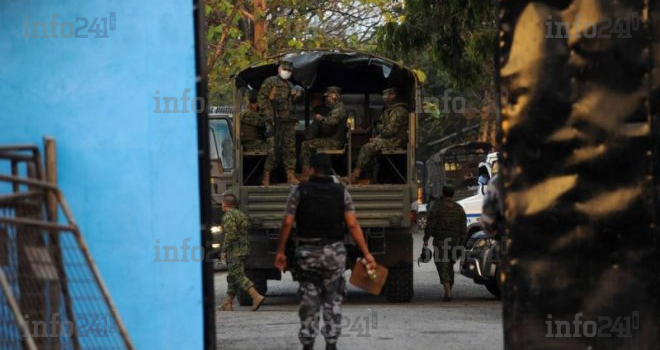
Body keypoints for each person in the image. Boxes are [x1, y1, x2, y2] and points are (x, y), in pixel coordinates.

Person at [274, 153, 376, 350]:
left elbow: (287, 222)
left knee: (309, 299)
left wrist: (280, 251)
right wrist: (366, 253)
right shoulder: (341, 192)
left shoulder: (299, 191)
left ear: (311, 169)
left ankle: (308, 342)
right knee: (333, 299)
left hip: (307, 254)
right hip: (334, 254)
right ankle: (331, 343)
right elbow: (353, 224)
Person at [347, 87, 409, 182]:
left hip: (397, 141)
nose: (385, 99)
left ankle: (355, 176)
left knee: (366, 148)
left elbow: (389, 131)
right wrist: (377, 138)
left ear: (393, 97)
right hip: (392, 139)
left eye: (387, 97)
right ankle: (370, 177)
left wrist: (379, 128)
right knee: (371, 151)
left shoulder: (398, 111)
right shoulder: (390, 111)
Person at [258, 60, 304, 185]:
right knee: (272, 149)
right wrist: (269, 115)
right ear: (279, 69)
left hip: (288, 122)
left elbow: (293, 103)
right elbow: (261, 98)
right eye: (285, 69)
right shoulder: (271, 82)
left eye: (289, 70)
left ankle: (291, 175)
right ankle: (266, 176)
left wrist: (298, 95)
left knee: (290, 149)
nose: (286, 72)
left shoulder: (290, 85)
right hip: (274, 121)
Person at [217, 194, 265, 311]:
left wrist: (223, 250)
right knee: (233, 275)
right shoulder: (240, 214)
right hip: (244, 249)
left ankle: (256, 296)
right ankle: (228, 302)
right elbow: (247, 226)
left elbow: (231, 234)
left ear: (225, 204)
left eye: (222, 203)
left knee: (237, 275)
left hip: (235, 250)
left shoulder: (228, 216)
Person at [422, 185, 467, 301]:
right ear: (453, 194)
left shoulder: (437, 207)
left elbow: (431, 224)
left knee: (442, 265)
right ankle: (449, 290)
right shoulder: (459, 208)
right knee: (449, 266)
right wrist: (462, 243)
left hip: (441, 242)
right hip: (456, 242)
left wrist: (426, 238)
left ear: (443, 193)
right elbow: (464, 228)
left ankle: (447, 290)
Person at [300, 86, 348, 181]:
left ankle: (306, 174)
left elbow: (332, 121)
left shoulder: (339, 108)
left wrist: (320, 118)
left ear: (335, 96)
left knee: (305, 145)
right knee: (309, 143)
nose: (327, 99)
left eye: (328, 96)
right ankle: (311, 173)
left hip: (334, 142)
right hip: (332, 140)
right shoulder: (335, 108)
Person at [241, 89, 275, 179]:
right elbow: (263, 122)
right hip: (250, 144)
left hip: (253, 143)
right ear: (253, 103)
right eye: (258, 103)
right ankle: (265, 177)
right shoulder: (248, 114)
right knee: (273, 151)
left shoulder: (250, 112)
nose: (259, 106)